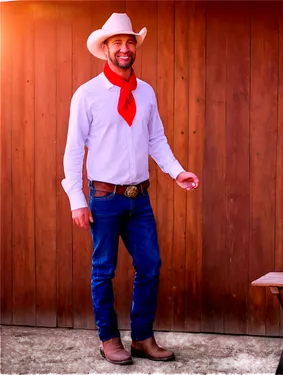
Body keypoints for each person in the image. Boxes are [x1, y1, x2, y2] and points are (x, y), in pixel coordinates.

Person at [61, 13, 199, 365]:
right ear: (105, 48)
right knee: (103, 270)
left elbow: (156, 139)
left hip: (140, 199)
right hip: (104, 198)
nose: (125, 48)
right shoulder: (87, 95)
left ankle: (142, 338)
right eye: (118, 42)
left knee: (150, 265)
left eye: (130, 41)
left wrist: (177, 172)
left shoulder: (147, 92)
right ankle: (109, 339)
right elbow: (74, 150)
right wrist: (77, 199)